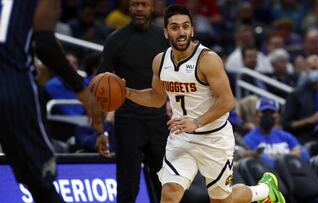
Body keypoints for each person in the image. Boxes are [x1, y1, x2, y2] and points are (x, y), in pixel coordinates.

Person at [123, 5, 285, 203]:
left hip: (214, 138)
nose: (181, 32)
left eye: (185, 26)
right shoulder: (160, 61)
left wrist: (197, 122)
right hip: (181, 137)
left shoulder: (207, 59)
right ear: (166, 32)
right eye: (175, 27)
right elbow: (156, 99)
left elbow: (227, 101)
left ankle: (264, 191)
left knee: (222, 200)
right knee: (170, 193)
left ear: (192, 29)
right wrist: (127, 92)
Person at [0, 1, 104, 203]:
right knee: (41, 181)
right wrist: (81, 88)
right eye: (57, 5)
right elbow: (44, 42)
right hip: (12, 86)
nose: (58, 11)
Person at [96, 0, 170, 202]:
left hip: (159, 120)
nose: (139, 9)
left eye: (144, 4)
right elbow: (99, 86)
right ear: (128, 7)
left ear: (152, 7)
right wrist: (101, 129)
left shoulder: (163, 38)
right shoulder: (115, 40)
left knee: (165, 187)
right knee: (128, 188)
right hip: (128, 121)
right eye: (135, 4)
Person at [244, 97, 309, 169]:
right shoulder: (249, 139)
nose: (268, 116)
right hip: (268, 175)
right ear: (256, 115)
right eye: (264, 112)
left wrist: (278, 159)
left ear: (278, 116)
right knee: (264, 158)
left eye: (272, 113)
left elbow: (298, 151)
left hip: (290, 172)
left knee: (304, 151)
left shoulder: (285, 136)